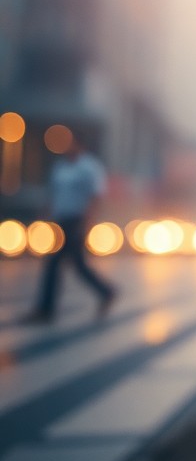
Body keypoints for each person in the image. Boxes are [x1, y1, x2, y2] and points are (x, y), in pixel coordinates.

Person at [22, 133, 117, 324]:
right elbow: (54, 193)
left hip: (77, 221)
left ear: (78, 144)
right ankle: (106, 292)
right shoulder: (61, 166)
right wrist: (45, 213)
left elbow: (95, 196)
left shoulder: (89, 167)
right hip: (60, 220)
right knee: (74, 264)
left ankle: (46, 309)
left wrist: (87, 222)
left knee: (56, 262)